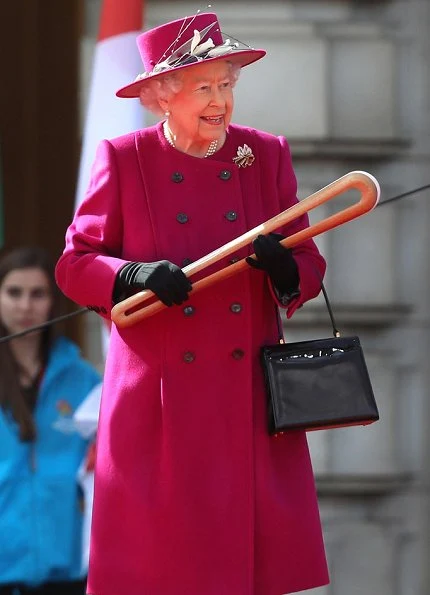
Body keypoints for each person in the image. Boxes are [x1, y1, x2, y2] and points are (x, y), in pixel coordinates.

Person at [55, 11, 329, 595]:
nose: (220, 100)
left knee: (245, 574)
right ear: (161, 96)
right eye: (203, 86)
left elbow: (308, 266)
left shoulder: (265, 155)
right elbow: (75, 265)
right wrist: (131, 273)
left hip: (246, 402)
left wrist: (286, 268)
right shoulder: (125, 158)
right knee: (160, 572)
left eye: (226, 84)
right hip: (157, 408)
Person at [0, 246, 101, 595]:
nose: (25, 305)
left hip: (69, 569)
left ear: (52, 302)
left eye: (37, 293)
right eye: (14, 292)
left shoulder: (86, 382)